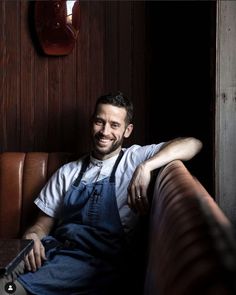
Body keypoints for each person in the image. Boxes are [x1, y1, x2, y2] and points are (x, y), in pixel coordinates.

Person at [0, 92, 202, 295]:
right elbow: (42, 224)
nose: (104, 131)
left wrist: (146, 167)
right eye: (99, 121)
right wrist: (32, 237)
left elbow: (193, 144)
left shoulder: (133, 160)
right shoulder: (67, 172)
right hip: (52, 252)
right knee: (4, 275)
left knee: (7, 290)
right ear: (92, 123)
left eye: (114, 125)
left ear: (127, 130)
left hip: (94, 264)